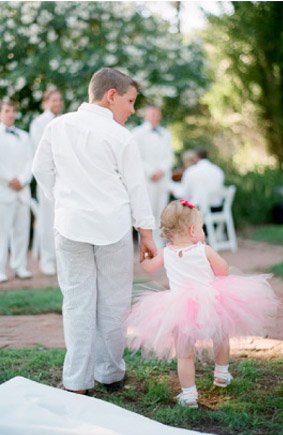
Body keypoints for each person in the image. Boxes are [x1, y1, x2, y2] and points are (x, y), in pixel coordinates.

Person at [32, 68, 156, 394]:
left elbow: (39, 169)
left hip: (69, 226)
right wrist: (146, 235)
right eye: (129, 101)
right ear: (111, 95)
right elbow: (136, 189)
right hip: (111, 230)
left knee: (77, 303)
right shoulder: (121, 137)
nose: (132, 110)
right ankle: (111, 375)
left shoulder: (57, 127)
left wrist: (61, 199)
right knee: (113, 303)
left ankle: (76, 382)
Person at [127, 199, 278, 408]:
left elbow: (149, 267)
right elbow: (223, 270)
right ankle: (221, 373)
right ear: (192, 230)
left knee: (184, 354)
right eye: (201, 227)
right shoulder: (203, 250)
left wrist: (143, 258)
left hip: (179, 309)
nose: (202, 231)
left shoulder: (166, 252)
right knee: (221, 335)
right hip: (210, 304)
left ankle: (189, 394)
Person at [30, 88, 63, 275]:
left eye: (59, 100)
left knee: (62, 220)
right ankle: (47, 259)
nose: (57, 103)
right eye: (53, 100)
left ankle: (60, 259)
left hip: (64, 180)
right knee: (47, 220)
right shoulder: (38, 123)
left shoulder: (65, 121)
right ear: (45, 102)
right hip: (46, 179)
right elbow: (39, 153)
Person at [0, 100, 33, 283]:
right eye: (7, 111)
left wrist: (22, 179)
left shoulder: (24, 136)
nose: (11, 114)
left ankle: (19, 266)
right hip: (3, 191)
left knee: (22, 231)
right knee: (1, 233)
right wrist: (9, 179)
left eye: (13, 111)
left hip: (22, 191)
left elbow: (30, 161)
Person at [132, 106, 174, 248]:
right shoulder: (137, 133)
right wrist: (151, 172)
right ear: (146, 116)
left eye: (157, 114)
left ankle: (160, 245)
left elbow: (169, 157)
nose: (155, 117)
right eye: (152, 114)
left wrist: (161, 170)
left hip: (162, 180)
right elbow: (136, 157)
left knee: (161, 212)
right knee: (146, 213)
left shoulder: (166, 134)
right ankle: (147, 246)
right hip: (147, 180)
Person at [170, 147, 225, 213]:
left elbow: (184, 194)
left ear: (196, 157)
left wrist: (173, 190)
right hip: (217, 208)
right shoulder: (218, 170)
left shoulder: (191, 171)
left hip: (199, 210)